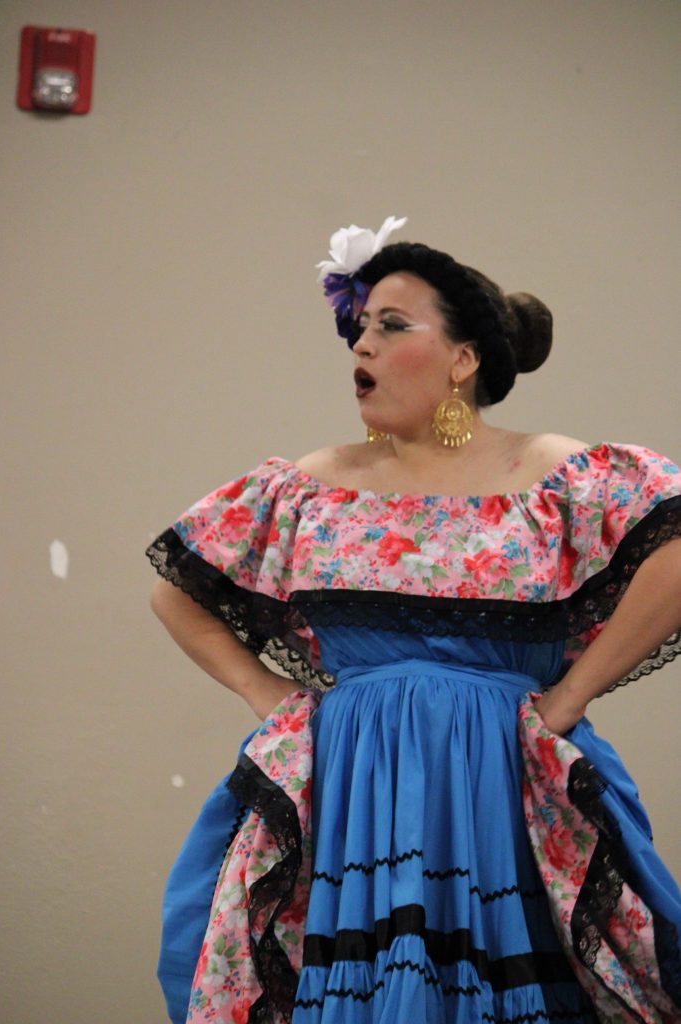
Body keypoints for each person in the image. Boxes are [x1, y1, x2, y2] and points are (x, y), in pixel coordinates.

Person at [146, 216, 681, 1024]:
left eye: (391, 325)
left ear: (462, 359)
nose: (361, 343)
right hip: (354, 784)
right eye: (360, 327)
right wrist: (269, 698)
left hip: (497, 778)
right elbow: (177, 591)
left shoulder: (553, 473)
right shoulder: (313, 486)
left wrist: (569, 699)